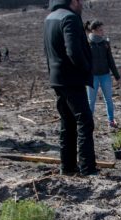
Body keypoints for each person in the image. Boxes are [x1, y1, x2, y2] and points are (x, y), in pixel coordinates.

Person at [44, 0, 97, 176]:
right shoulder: (70, 18)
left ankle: (67, 167)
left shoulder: (50, 18)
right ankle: (87, 168)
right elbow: (73, 51)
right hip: (71, 79)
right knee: (85, 122)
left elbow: (48, 49)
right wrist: (86, 68)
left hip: (57, 78)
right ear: (73, 1)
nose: (82, 4)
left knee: (67, 122)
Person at [85, 20, 121, 128]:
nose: (103, 32)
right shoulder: (87, 43)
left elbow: (111, 61)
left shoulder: (105, 43)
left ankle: (111, 121)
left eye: (102, 29)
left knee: (109, 99)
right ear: (94, 31)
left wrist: (117, 76)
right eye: (100, 30)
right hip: (92, 77)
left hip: (105, 75)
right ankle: (89, 123)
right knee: (91, 101)